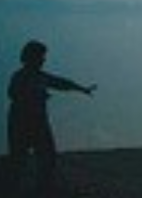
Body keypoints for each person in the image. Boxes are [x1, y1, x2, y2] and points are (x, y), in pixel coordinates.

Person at [7, 40, 96, 189]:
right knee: (18, 160)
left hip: (39, 123)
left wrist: (82, 89)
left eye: (43, 57)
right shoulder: (19, 76)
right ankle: (14, 191)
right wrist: (34, 96)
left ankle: (43, 189)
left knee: (47, 157)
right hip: (21, 123)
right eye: (40, 57)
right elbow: (13, 94)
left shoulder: (42, 77)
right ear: (30, 57)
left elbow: (62, 83)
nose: (43, 60)